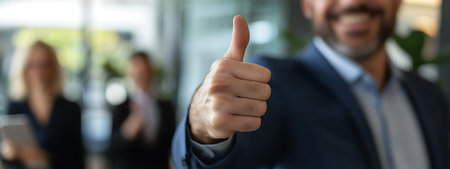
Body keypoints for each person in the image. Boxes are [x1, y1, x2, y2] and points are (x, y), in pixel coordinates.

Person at [172, 0, 449, 168]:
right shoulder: (275, 83)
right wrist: (203, 127)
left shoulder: (429, 95)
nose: (353, 2)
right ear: (307, 4)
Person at [2, 41, 85, 169]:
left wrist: (43, 156)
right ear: (23, 69)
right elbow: (9, 158)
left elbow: (77, 159)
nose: (39, 71)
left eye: (45, 65)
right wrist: (8, 153)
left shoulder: (70, 109)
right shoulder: (15, 107)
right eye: (32, 65)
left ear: (54, 68)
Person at [109, 52, 175, 169]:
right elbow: (111, 148)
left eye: (145, 69)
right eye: (138, 70)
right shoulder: (120, 108)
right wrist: (127, 131)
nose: (142, 74)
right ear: (130, 73)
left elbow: (172, 142)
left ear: (152, 71)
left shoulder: (166, 107)